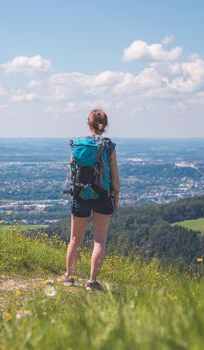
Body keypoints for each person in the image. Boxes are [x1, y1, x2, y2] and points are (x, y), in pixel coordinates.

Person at [59, 109, 120, 290]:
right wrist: (115, 196)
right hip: (102, 196)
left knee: (75, 239)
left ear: (88, 122)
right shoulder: (108, 146)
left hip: (80, 195)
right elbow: (115, 176)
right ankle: (92, 281)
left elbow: (72, 172)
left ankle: (69, 276)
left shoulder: (78, 144)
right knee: (99, 241)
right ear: (105, 125)